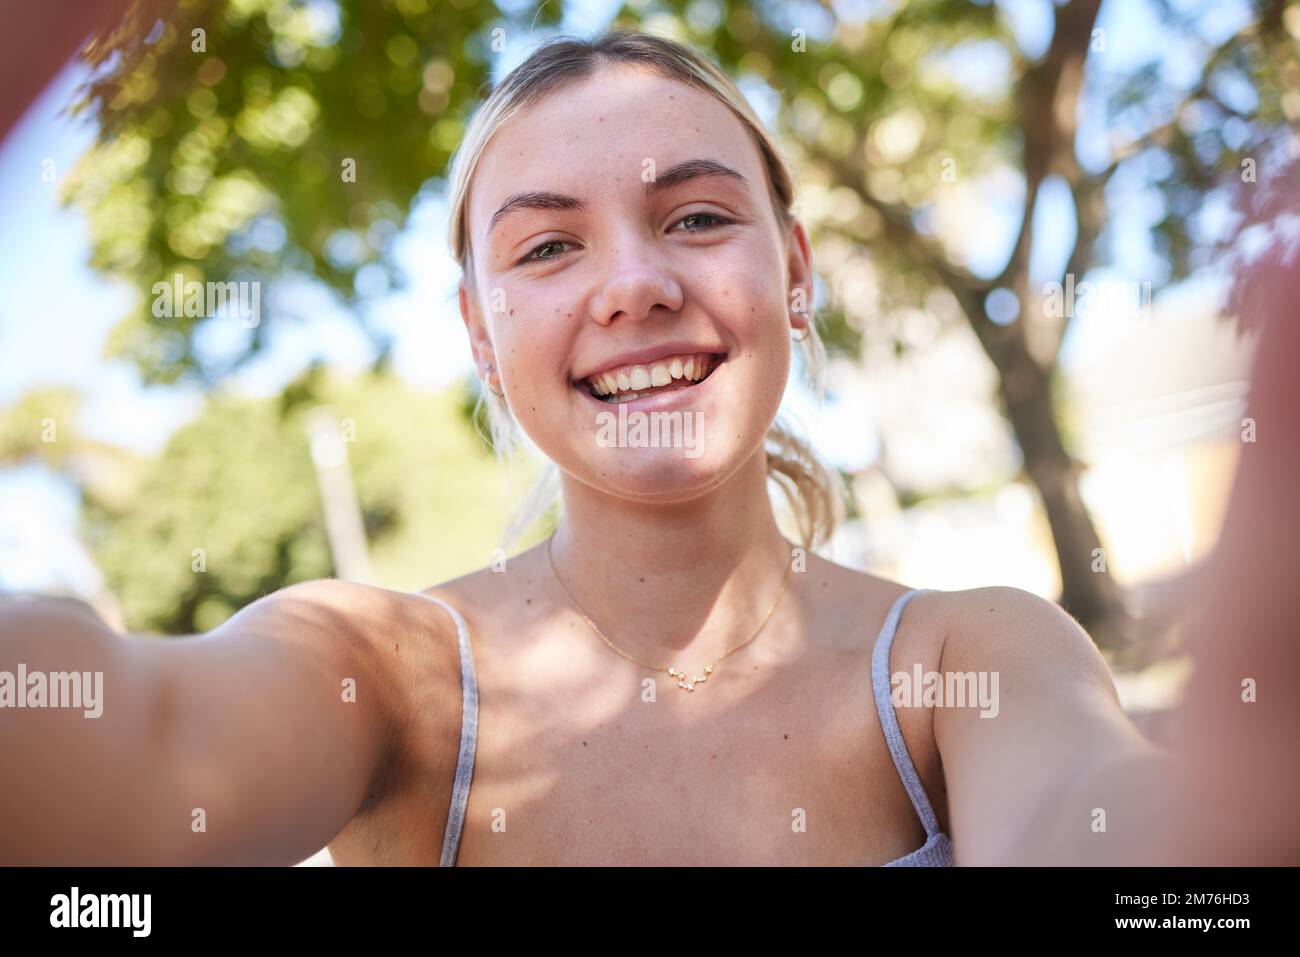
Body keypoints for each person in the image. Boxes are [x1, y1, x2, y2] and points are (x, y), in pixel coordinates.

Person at [0, 30, 1282, 867]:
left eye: (696, 216)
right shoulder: (382, 678)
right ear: (479, 334)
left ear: (791, 271)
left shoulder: (966, 658)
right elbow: (132, 755)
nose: (634, 284)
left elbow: (1106, 841)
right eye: (548, 246)